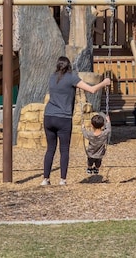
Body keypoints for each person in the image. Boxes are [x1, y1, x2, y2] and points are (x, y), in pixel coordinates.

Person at [41, 56, 111, 186]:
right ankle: (62, 179)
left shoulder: (52, 78)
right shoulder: (71, 77)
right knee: (64, 149)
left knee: (50, 149)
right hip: (63, 118)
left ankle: (45, 179)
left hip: (49, 116)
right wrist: (104, 82)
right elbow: (92, 89)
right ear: (68, 66)